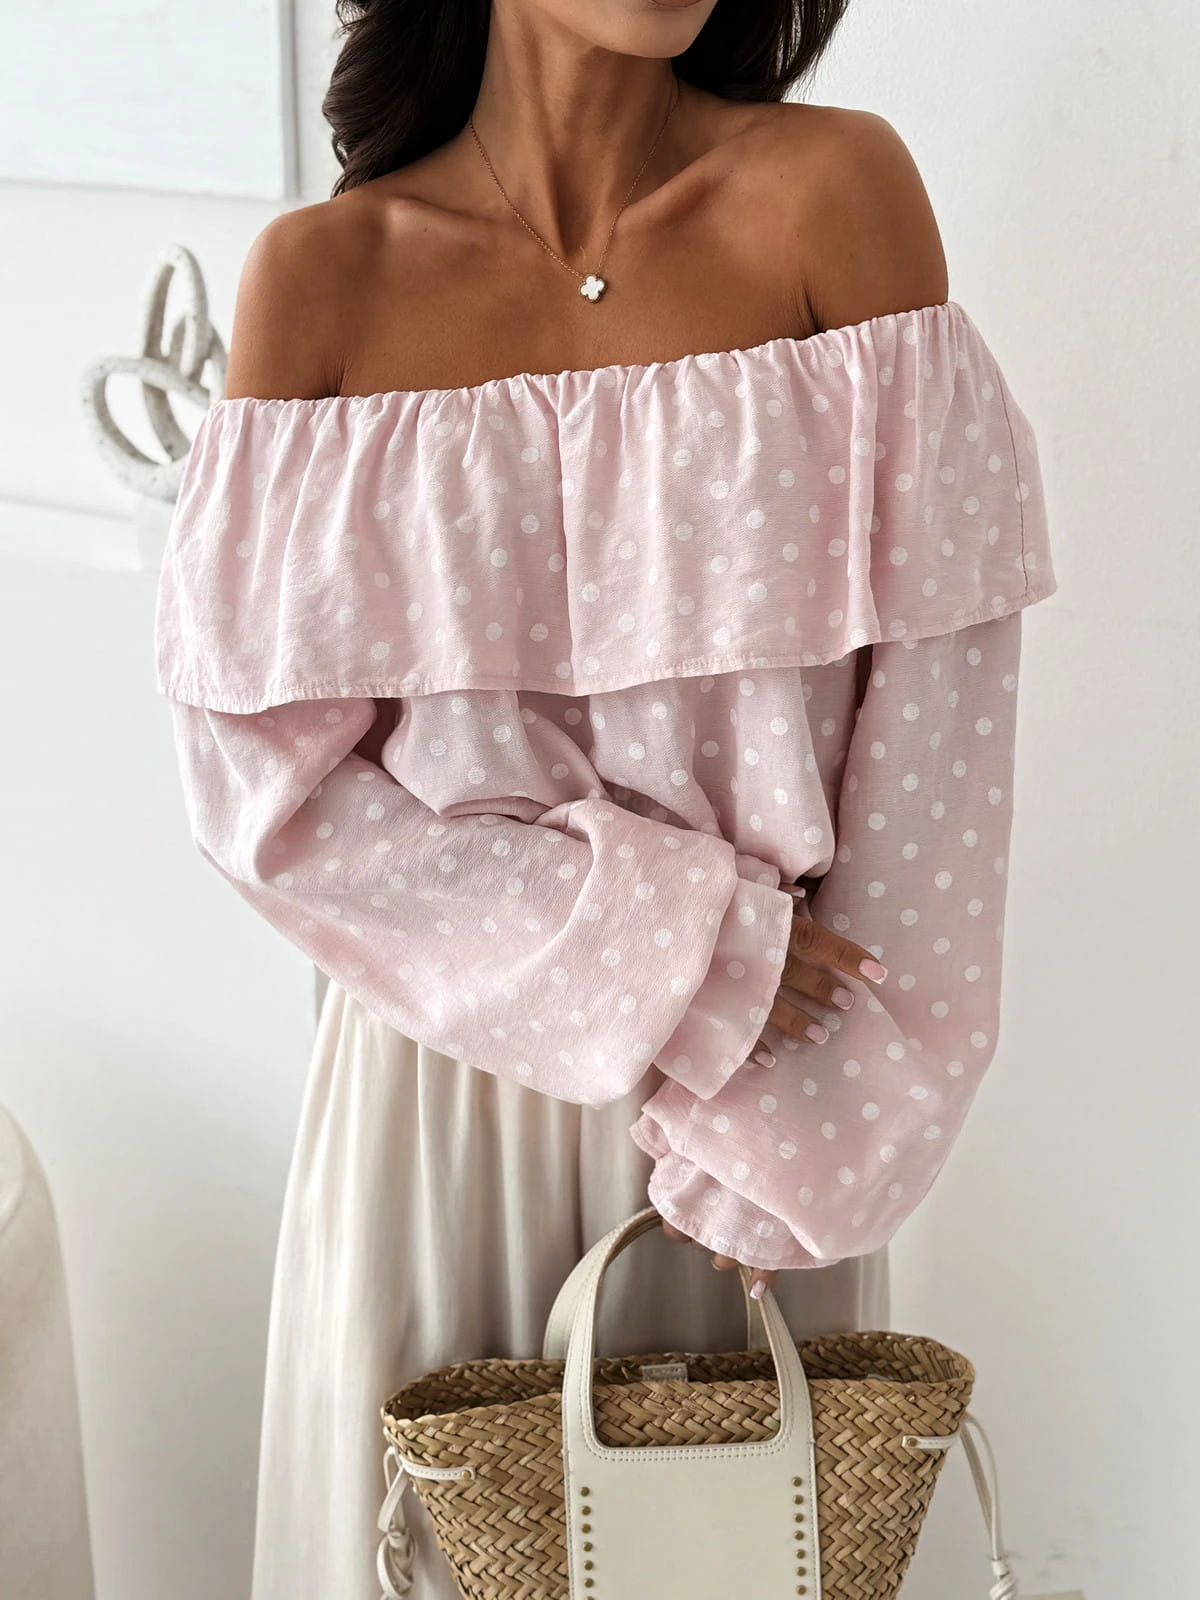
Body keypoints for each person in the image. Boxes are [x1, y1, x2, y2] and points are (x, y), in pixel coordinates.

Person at [152, 1, 1057, 1594]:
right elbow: (265, 798)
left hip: (770, 1095)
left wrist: (803, 1127)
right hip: (445, 1093)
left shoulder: (834, 200)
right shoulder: (326, 277)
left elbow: (944, 726)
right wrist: (682, 942)